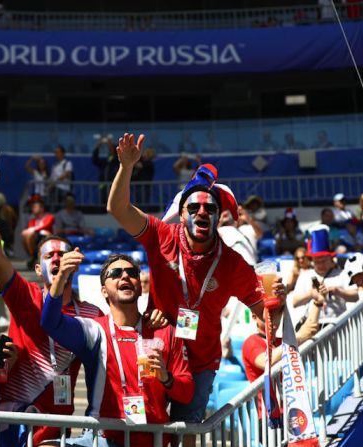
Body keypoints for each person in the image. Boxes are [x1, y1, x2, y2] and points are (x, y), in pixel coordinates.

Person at [106, 133, 286, 431]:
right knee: (145, 426)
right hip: (156, 351)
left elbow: (265, 313)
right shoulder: (161, 235)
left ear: (218, 217)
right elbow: (118, 209)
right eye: (193, 208)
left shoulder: (232, 262)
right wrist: (126, 167)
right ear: (183, 212)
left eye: (210, 209)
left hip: (202, 362)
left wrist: (276, 302)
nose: (202, 212)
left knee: (187, 430)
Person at [0, 171, 104, 446]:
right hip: (10, 419)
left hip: (56, 425)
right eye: (49, 255)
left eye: (62, 254)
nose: (57, 258)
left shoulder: (92, 315)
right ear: (38, 269)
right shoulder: (25, 295)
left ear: (75, 262)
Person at [41, 253, 194, 447]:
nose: (124, 277)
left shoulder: (166, 331)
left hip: (151, 439)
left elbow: (187, 392)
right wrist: (62, 275)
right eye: (115, 273)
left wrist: (166, 377)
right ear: (104, 291)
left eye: (132, 273)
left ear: (140, 287)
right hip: (102, 438)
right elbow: (50, 323)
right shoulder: (94, 330)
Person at [288, 225, 359, 325]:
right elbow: (295, 302)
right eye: (317, 261)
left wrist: (338, 291)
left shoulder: (342, 274)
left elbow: (357, 296)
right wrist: (311, 294)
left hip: (336, 325)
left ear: (330, 258)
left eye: (324, 261)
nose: (321, 265)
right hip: (313, 325)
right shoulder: (305, 275)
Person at [21, 194, 54, 268]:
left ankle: (35, 257)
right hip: (35, 238)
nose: (33, 209)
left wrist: (34, 229)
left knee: (30, 234)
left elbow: (46, 225)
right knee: (26, 237)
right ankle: (33, 256)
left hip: (45, 238)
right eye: (32, 207)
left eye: (35, 207)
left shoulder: (49, 217)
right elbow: (29, 230)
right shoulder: (32, 220)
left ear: (42, 208)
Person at [92, 135, 118, 204]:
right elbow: (95, 160)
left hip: (113, 186)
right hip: (103, 186)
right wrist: (98, 146)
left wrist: (109, 143)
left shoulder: (117, 160)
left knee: (113, 203)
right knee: (103, 203)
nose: (109, 149)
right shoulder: (106, 161)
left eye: (111, 148)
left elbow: (114, 156)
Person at [48, 145, 73, 210]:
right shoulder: (54, 165)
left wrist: (55, 182)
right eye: (55, 152)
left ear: (63, 153)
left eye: (58, 152)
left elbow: (67, 174)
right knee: (53, 208)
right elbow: (52, 177)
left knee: (62, 208)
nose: (56, 154)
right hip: (54, 189)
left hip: (63, 189)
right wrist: (50, 185)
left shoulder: (67, 163)